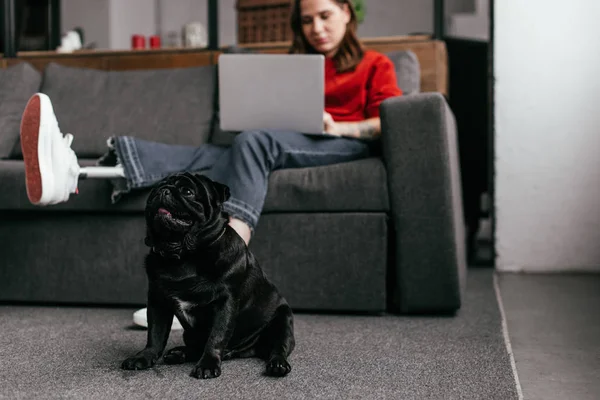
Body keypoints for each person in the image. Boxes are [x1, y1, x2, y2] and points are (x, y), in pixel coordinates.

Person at [19, 0, 403, 330]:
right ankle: (74, 172)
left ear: (347, 13)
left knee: (253, 141)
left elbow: (388, 121)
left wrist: (341, 126)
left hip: (344, 143)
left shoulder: (376, 64)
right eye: (306, 20)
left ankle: (220, 279)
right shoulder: (296, 66)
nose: (316, 27)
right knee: (209, 157)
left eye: (324, 16)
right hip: (284, 143)